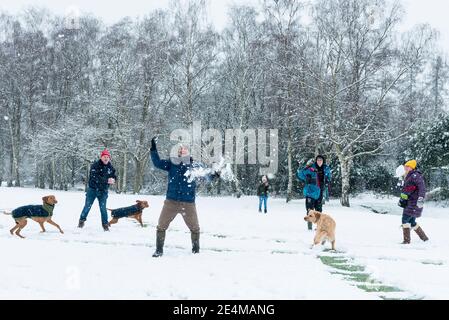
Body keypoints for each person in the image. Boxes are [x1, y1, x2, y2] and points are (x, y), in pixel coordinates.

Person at [150, 137, 218, 257]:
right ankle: (159, 250)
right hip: (171, 202)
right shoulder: (172, 164)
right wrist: (153, 149)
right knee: (161, 225)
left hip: (188, 203)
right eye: (180, 150)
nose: (182, 151)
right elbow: (157, 163)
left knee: (195, 228)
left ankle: (195, 251)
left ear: (189, 152)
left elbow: (205, 176)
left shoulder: (195, 166)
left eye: (185, 149)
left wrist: (214, 175)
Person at [78, 149, 116, 231]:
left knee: (103, 208)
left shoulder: (111, 167)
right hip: (93, 190)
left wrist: (113, 179)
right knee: (87, 206)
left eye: (107, 157)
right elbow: (95, 177)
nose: (106, 158)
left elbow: (114, 176)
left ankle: (105, 224)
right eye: (104, 157)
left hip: (103, 191)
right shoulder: (95, 165)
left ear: (109, 158)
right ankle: (81, 221)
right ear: (101, 157)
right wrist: (106, 180)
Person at [297, 155, 331, 230]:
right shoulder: (311, 168)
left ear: (323, 161)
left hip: (320, 190)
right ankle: (309, 226)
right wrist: (306, 178)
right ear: (316, 160)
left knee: (319, 209)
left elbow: (329, 176)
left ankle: (318, 226)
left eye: (321, 160)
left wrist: (327, 181)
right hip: (310, 191)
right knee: (310, 209)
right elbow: (300, 174)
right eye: (318, 160)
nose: (319, 161)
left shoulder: (326, 168)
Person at [398, 160, 429, 244]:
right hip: (410, 202)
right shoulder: (408, 175)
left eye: (407, 166)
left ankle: (406, 241)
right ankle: (424, 239)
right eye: (405, 166)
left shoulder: (416, 176)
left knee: (405, 219)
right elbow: (406, 188)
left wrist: (420, 199)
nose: (405, 168)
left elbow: (422, 189)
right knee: (412, 222)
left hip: (414, 203)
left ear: (411, 167)